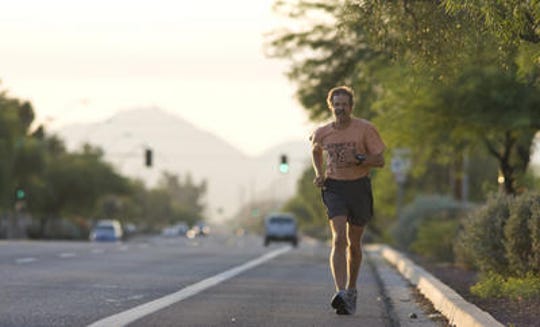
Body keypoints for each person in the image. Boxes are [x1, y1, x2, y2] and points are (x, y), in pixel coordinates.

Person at [310, 86, 385, 315]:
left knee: (355, 244)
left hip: (359, 188)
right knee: (339, 237)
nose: (340, 108)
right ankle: (341, 292)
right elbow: (315, 149)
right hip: (334, 188)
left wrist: (360, 158)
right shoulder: (323, 132)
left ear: (351, 107)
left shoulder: (365, 129)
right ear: (331, 106)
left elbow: (380, 160)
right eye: (337, 104)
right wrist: (319, 173)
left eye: (344, 104)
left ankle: (352, 290)